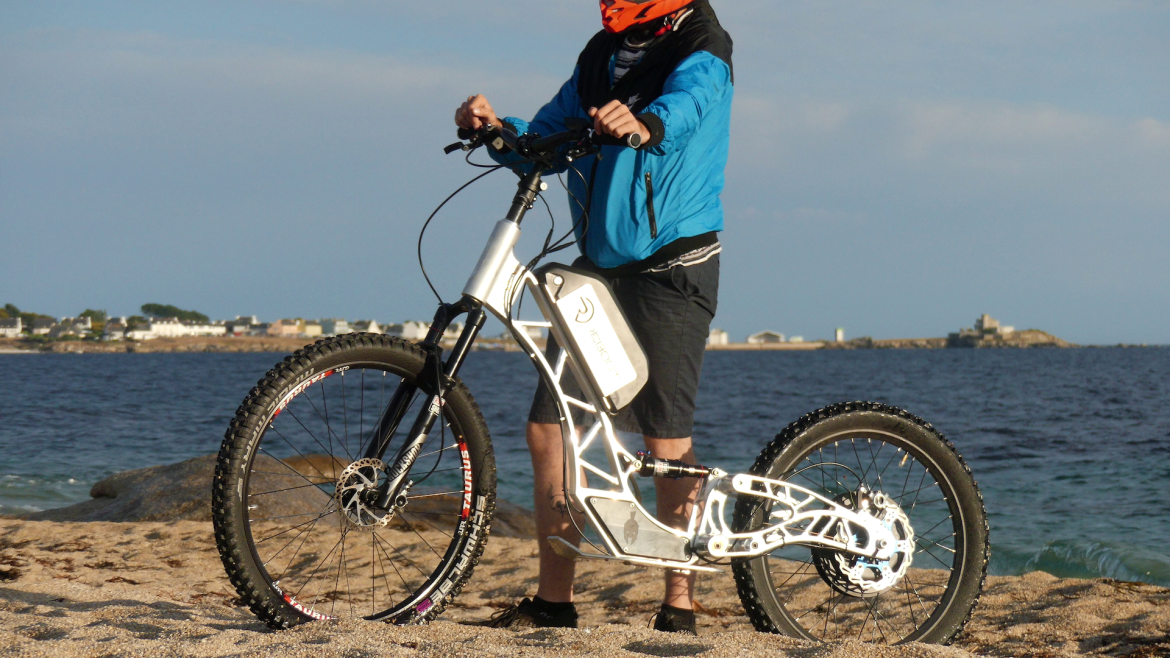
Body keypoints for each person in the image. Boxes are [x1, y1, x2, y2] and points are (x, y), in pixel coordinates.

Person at [453, 0, 732, 636]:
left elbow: (685, 109)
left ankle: (679, 606)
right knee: (550, 429)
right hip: (600, 267)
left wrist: (643, 125)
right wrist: (498, 129)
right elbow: (548, 138)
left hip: (672, 266)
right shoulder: (600, 55)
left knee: (665, 440)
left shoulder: (703, 46)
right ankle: (555, 603)